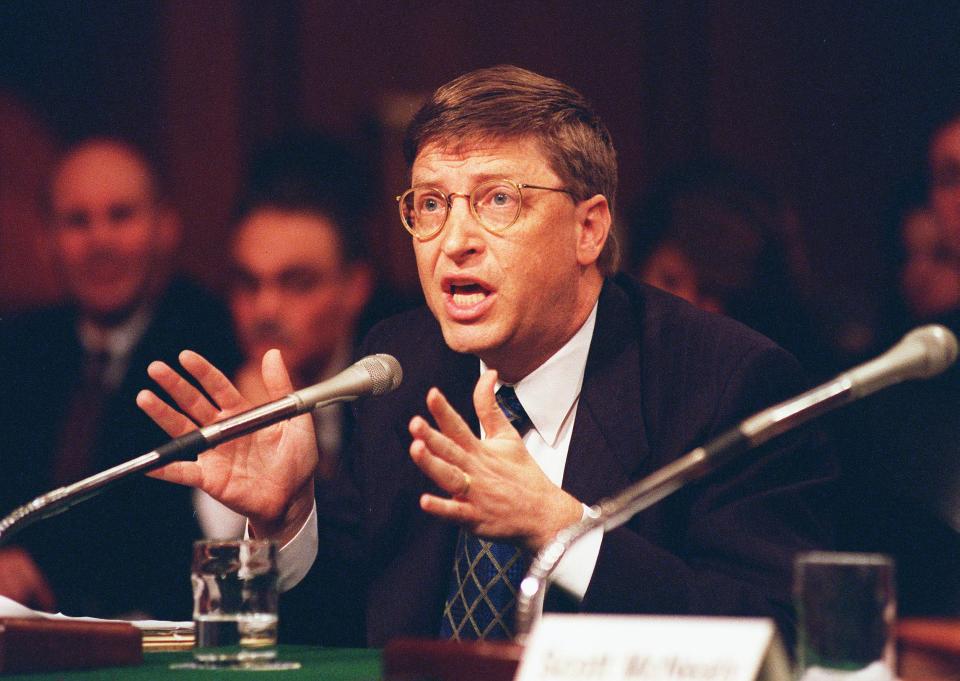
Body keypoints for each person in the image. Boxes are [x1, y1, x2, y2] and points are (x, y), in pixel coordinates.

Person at [137, 66, 836, 647]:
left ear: (588, 227)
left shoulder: (724, 380)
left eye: (497, 200)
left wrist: (562, 528)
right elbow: (352, 630)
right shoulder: (401, 364)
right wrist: (290, 519)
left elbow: (778, 634)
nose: (455, 239)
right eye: (432, 204)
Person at [0, 137, 241, 618]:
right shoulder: (20, 348)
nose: (100, 241)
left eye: (121, 216)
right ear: (46, 239)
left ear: (166, 227)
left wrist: (39, 564)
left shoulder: (212, 340)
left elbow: (159, 524)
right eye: (77, 221)